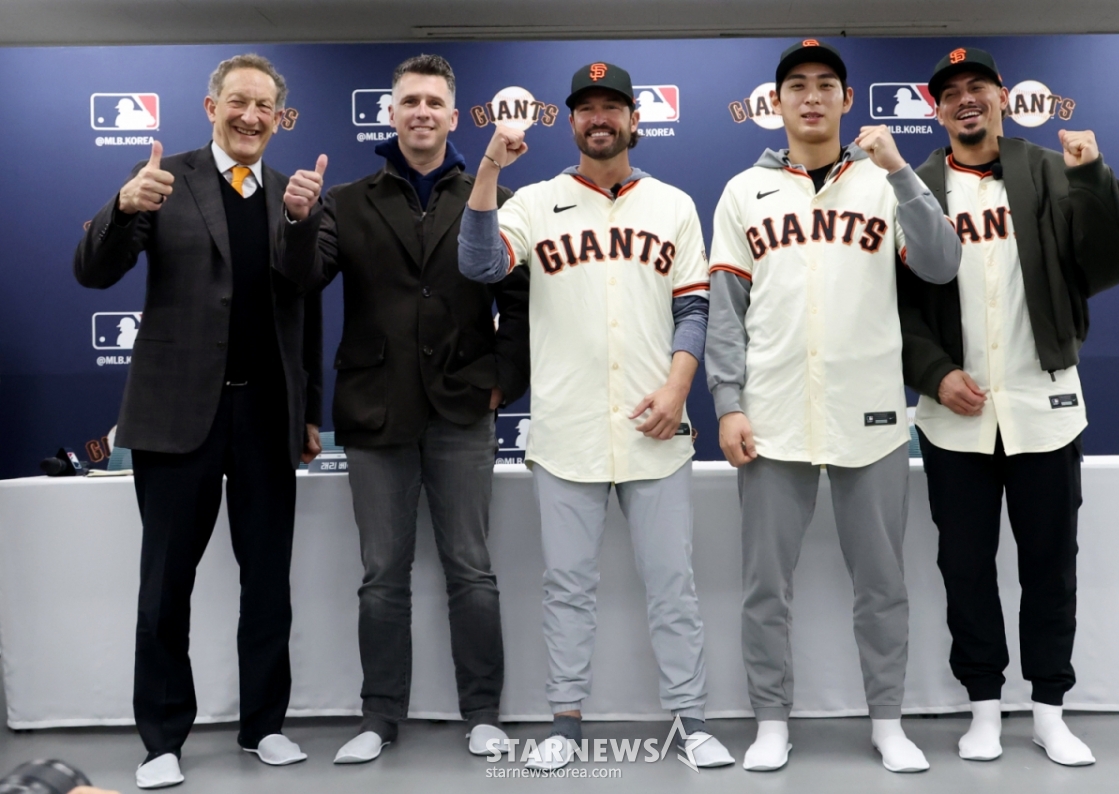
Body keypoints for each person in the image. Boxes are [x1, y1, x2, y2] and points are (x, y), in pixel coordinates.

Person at [458, 60, 734, 771]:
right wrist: (490, 168)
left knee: (673, 586)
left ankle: (692, 720)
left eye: (613, 106)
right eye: (587, 107)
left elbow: (694, 306)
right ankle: (566, 725)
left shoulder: (672, 204)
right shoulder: (535, 200)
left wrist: (679, 388)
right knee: (567, 590)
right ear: (573, 121)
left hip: (656, 427)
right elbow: (480, 264)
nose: (600, 117)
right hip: (567, 430)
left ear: (634, 120)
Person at [705, 39, 961, 773]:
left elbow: (942, 265)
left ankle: (887, 720)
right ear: (776, 102)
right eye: (796, 86)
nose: (811, 97)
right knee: (764, 588)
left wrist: (903, 172)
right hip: (774, 414)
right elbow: (726, 309)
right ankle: (772, 722)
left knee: (881, 584)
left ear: (848, 102)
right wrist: (727, 403)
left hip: (870, 415)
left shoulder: (885, 181)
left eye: (826, 86)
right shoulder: (742, 192)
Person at [899, 46, 1119, 766]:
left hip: (1044, 406)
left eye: (978, 86)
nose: (966, 99)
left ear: (1002, 96)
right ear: (937, 109)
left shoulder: (1048, 168)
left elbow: (1113, 259)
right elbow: (899, 304)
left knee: (1050, 564)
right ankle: (983, 706)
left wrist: (1092, 178)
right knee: (965, 564)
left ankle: (1048, 708)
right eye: (951, 92)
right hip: (956, 415)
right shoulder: (914, 186)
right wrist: (934, 370)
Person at [74, 54, 322, 789]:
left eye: (265, 106)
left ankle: (263, 727)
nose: (251, 116)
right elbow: (94, 269)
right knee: (165, 586)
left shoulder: (292, 193)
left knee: (268, 582)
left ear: (280, 116)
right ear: (211, 106)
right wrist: (123, 207)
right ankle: (161, 740)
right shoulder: (163, 179)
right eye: (238, 102)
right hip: (177, 416)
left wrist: (308, 412)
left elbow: (304, 303)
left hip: (266, 415)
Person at [278, 53, 530, 764]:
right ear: (391, 115)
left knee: (471, 570)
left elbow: (520, 303)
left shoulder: (495, 196)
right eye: (409, 101)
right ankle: (379, 716)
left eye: (434, 103)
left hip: (462, 410)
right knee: (381, 574)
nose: (421, 112)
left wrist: (500, 384)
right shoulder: (347, 199)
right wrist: (297, 221)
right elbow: (303, 279)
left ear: (455, 117)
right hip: (375, 411)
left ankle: (483, 711)